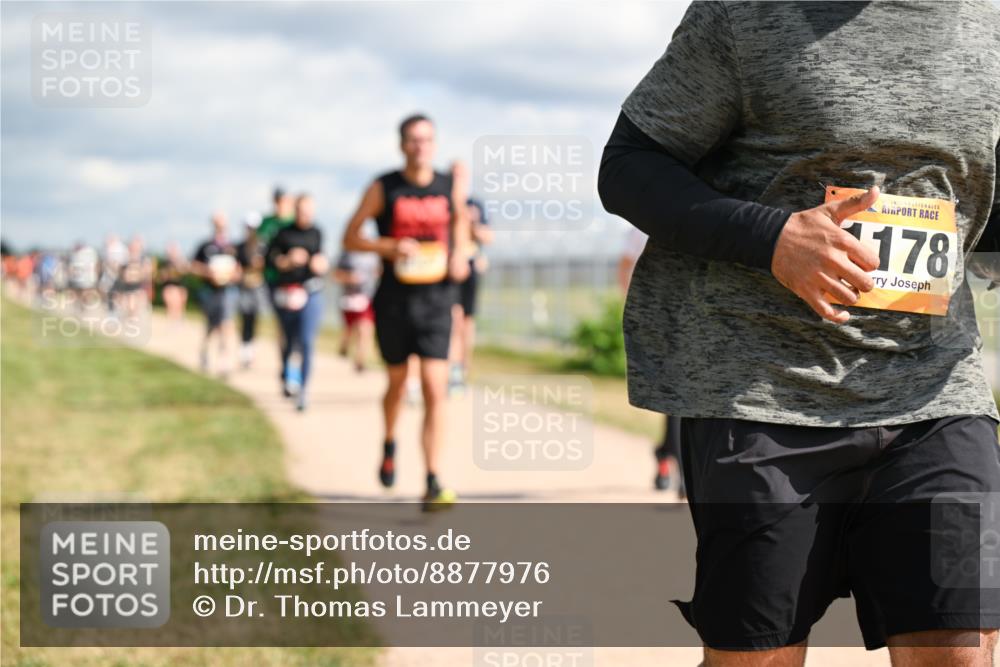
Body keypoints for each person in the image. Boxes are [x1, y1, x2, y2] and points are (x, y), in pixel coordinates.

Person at [598, 1, 1000, 664]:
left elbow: (975, 182)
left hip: (936, 387)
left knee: (959, 648)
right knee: (759, 656)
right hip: (760, 387)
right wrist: (774, 236)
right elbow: (630, 164)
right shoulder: (747, 14)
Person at [342, 113, 471, 512]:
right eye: (414, 140)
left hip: (436, 300)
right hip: (395, 302)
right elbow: (351, 236)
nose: (421, 147)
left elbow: (461, 221)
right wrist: (389, 247)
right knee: (397, 385)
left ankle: (432, 479)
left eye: (427, 140)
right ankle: (389, 441)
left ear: (435, 144)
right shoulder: (385, 188)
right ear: (402, 146)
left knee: (435, 388)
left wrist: (460, 255)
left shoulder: (449, 186)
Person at [619, 226, 685, 495]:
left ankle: (666, 456)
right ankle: (677, 465)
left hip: (692, 315)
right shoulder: (641, 227)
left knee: (681, 393)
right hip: (658, 318)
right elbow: (624, 266)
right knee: (677, 392)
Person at [266, 194, 327, 411]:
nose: (305, 215)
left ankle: (303, 389)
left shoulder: (317, 232)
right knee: (288, 341)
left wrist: (318, 263)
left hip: (310, 291)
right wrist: (288, 260)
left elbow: (321, 259)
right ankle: (287, 375)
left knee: (307, 341)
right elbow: (271, 261)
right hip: (287, 292)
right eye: (302, 210)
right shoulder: (283, 233)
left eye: (309, 211)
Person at [448, 195, 493, 395]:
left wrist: (470, 221)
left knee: (467, 323)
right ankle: (453, 370)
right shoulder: (444, 202)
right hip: (451, 269)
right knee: (454, 320)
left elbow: (488, 237)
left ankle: (464, 370)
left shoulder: (475, 205)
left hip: (471, 270)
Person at [190, 212, 240, 376]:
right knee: (211, 325)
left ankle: (223, 360)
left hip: (228, 291)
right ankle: (204, 351)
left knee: (225, 324)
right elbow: (194, 266)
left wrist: (234, 275)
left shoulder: (232, 247)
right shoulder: (205, 246)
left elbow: (239, 269)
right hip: (210, 291)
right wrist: (208, 272)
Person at [333, 227, 380, 373]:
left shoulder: (374, 254)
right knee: (349, 329)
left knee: (365, 329)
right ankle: (344, 346)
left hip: (367, 297)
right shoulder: (346, 253)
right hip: (349, 298)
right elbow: (336, 274)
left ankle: (360, 361)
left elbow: (379, 270)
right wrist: (349, 278)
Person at [236, 211, 265, 369]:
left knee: (254, 319)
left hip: (258, 288)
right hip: (244, 287)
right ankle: (244, 350)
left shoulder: (263, 246)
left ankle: (251, 351)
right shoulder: (240, 247)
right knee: (245, 318)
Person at [115, 235, 153, 321]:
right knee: (125, 304)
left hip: (138, 286)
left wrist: (136, 275)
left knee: (133, 302)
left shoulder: (144, 259)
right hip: (126, 286)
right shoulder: (125, 258)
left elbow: (147, 273)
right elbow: (121, 272)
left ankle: (132, 318)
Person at [158, 241, 188, 324]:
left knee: (179, 305)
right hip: (169, 286)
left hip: (180, 286)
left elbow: (185, 272)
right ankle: (171, 321)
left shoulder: (181, 261)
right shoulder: (165, 263)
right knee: (171, 304)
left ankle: (178, 320)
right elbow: (161, 277)